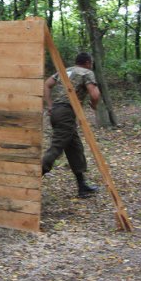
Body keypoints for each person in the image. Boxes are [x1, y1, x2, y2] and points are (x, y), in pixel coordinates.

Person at [41, 52, 100, 198]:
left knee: (75, 148)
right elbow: (95, 94)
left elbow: (46, 85)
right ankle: (30, 179)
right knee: (56, 148)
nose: (91, 66)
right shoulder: (87, 72)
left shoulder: (65, 71)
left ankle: (82, 186)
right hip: (66, 113)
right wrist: (94, 104)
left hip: (57, 112)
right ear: (87, 63)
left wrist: (50, 106)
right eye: (90, 63)